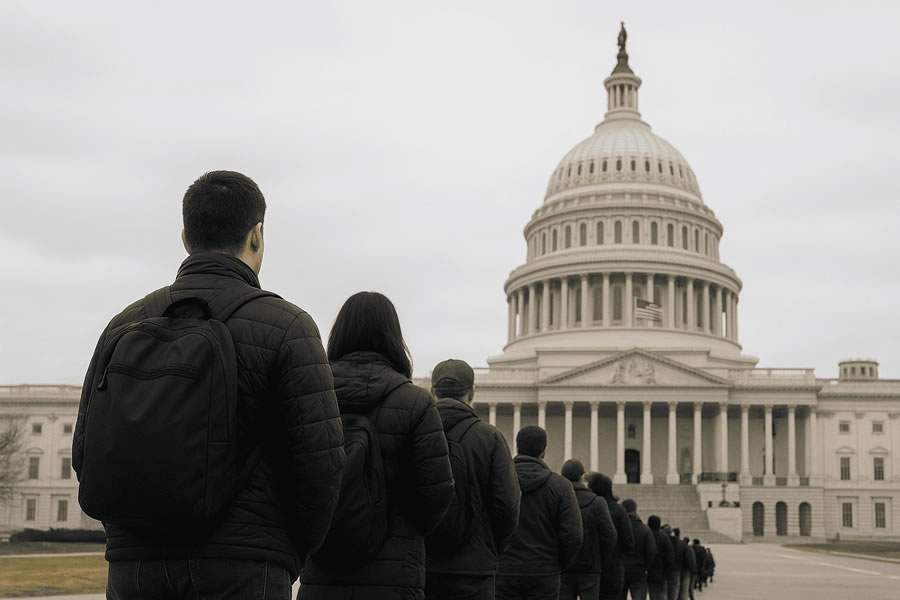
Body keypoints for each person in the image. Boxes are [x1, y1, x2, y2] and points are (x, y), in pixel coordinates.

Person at [73, 171, 346, 600]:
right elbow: (321, 466)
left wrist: (132, 535)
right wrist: (285, 551)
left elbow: (85, 451)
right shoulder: (289, 326)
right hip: (244, 567)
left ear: (185, 237)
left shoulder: (124, 324)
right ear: (257, 235)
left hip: (134, 568)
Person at [299, 292, 454, 600]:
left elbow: (290, 479)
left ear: (339, 334)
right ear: (394, 338)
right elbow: (436, 494)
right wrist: (402, 528)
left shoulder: (311, 396)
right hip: (394, 573)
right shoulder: (415, 402)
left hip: (322, 569)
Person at [425, 359, 521, 600]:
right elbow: (507, 505)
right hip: (474, 566)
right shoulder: (490, 437)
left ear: (433, 391)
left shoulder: (415, 431)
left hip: (422, 563)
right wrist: (490, 548)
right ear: (472, 392)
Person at [497, 426, 583, 600]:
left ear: (517, 447)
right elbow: (573, 534)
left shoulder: (499, 480)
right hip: (544, 572)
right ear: (543, 451)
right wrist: (556, 563)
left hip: (504, 569)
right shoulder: (561, 486)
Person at [560, 460, 618, 600]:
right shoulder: (597, 502)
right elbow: (610, 536)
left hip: (563, 566)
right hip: (590, 567)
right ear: (582, 476)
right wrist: (600, 559)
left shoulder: (557, 499)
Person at [587, 474, 635, 600]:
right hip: (613, 568)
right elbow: (629, 542)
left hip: (591, 568)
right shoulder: (619, 511)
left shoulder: (589, 508)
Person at [619, 499, 656, 600]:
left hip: (621, 568)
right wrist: (645, 566)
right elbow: (651, 552)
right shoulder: (645, 529)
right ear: (635, 510)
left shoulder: (618, 527)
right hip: (638, 570)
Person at [645, 516, 673, 600]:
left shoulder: (646, 534)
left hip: (649, 570)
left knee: (652, 593)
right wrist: (667, 570)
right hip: (661, 570)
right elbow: (670, 555)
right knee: (661, 594)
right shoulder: (664, 537)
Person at [667, 528, 688, 600]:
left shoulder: (668, 541)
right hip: (678, 569)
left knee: (670, 590)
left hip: (669, 569)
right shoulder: (683, 544)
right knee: (675, 590)